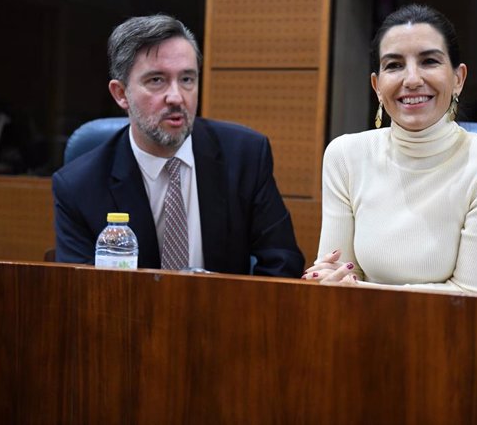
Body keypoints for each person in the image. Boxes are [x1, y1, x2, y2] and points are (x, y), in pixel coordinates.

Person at [52, 14, 304, 277]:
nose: (176, 97)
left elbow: (282, 264)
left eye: (186, 79)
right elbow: (80, 293)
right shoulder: (79, 185)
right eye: (156, 80)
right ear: (121, 94)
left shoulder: (245, 155)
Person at [303, 4, 477, 291]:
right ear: (377, 86)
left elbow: (467, 295)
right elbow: (336, 275)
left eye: (429, 61)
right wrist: (331, 281)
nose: (412, 80)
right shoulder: (344, 156)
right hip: (357, 329)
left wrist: (359, 290)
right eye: (394, 65)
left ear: (458, 79)